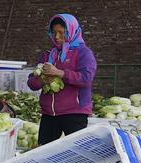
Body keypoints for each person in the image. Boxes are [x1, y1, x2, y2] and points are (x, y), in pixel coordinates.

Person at [27, 13, 97, 145]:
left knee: (77, 154)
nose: (57, 37)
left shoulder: (83, 52)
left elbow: (86, 78)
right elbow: (31, 82)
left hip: (75, 113)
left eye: (61, 32)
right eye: (54, 33)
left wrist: (60, 73)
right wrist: (42, 80)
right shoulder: (48, 55)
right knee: (44, 152)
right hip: (49, 113)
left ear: (72, 31)